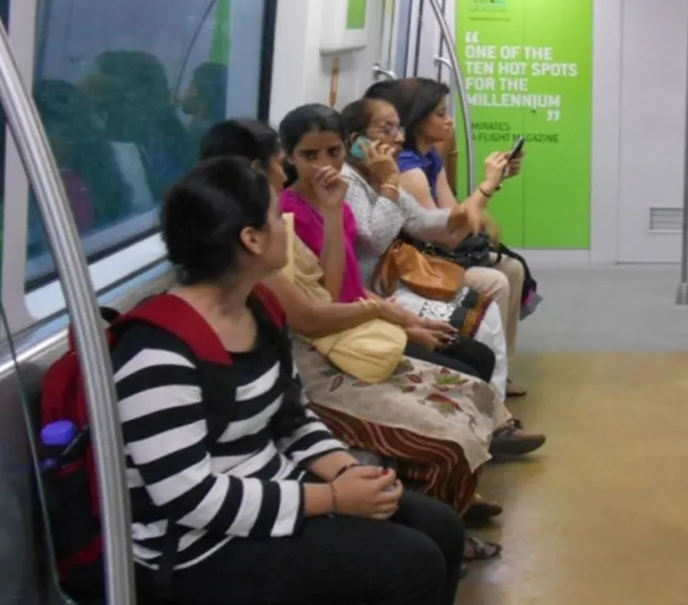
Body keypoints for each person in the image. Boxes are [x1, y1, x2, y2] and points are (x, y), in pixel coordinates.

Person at [111, 156, 466, 604]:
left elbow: (292, 417)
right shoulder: (157, 351)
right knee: (411, 564)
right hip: (194, 548)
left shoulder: (259, 309)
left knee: (440, 528)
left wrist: (346, 471)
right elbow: (188, 496)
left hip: (274, 490)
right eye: (279, 217)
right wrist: (332, 500)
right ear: (251, 239)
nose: (288, 226)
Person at [199, 120, 506, 532]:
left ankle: (454, 505)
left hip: (345, 327)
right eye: (297, 158)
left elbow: (331, 286)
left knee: (474, 380)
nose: (296, 170)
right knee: (455, 408)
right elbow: (315, 311)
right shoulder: (269, 231)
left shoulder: (312, 207)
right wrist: (385, 313)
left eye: (333, 152)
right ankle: (445, 517)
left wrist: (331, 212)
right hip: (325, 353)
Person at [278, 104, 544, 459]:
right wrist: (388, 181)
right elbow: (370, 242)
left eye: (333, 152)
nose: (325, 163)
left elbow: (440, 224)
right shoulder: (336, 194)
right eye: (310, 155)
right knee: (472, 337)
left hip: (373, 300)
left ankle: (492, 427)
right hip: (365, 307)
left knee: (478, 333)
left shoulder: (350, 191)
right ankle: (486, 433)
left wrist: (489, 186)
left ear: (346, 146)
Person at [372, 78, 535, 396]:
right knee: (495, 281)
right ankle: (480, 376)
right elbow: (447, 234)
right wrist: (489, 185)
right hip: (419, 260)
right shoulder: (408, 170)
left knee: (513, 269)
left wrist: (493, 184)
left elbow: (453, 212)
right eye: (439, 114)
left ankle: (502, 367)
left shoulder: (430, 156)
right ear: (417, 118)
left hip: (437, 250)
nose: (448, 121)